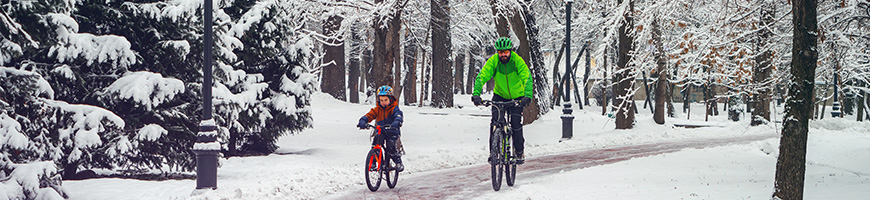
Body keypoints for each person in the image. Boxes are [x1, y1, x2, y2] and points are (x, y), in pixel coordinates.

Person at [471, 37, 533, 164]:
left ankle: (519, 152)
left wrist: (527, 95)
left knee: (515, 123)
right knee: (494, 123)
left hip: (517, 97)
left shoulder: (517, 61)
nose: (503, 55)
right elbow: (482, 76)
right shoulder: (494, 61)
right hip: (499, 95)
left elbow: (527, 78)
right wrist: (476, 94)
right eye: (500, 52)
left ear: (510, 51)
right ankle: (493, 153)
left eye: (505, 52)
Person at [357, 85, 405, 172]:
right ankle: (373, 162)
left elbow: (398, 116)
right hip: (381, 131)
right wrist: (363, 121)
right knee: (376, 143)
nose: (383, 102)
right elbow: (369, 115)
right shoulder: (377, 110)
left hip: (392, 131)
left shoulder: (394, 109)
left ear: (390, 99)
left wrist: (396, 122)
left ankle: (398, 162)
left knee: (391, 147)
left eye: (385, 100)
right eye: (381, 100)